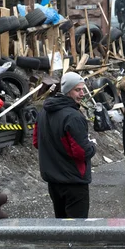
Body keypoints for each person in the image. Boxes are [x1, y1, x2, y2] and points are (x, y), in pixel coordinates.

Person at [33, 72, 96, 218]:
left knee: (61, 226)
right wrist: (92, 146)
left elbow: (37, 142)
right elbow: (81, 152)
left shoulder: (43, 112)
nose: (82, 94)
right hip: (73, 181)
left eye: (83, 89)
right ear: (67, 90)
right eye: (77, 90)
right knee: (77, 229)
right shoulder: (73, 116)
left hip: (54, 180)